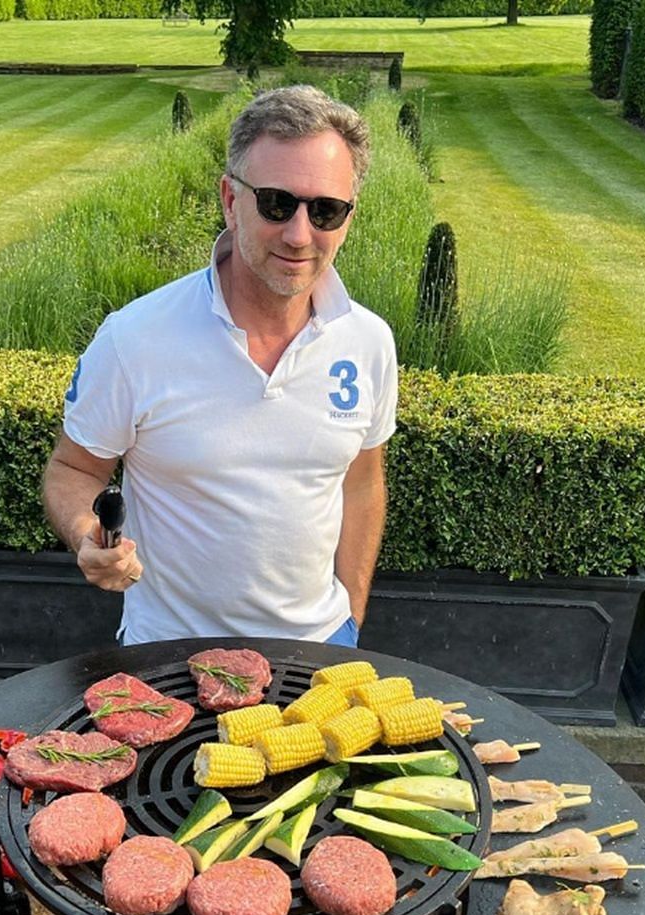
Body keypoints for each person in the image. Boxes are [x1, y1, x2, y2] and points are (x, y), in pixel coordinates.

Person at [43, 85, 398, 647]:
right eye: (277, 203)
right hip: (170, 657)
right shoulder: (135, 339)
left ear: (348, 219)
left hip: (319, 650)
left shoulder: (368, 341)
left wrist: (350, 618)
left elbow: (361, 482)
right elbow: (74, 471)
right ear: (231, 200)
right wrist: (88, 532)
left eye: (325, 210)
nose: (300, 234)